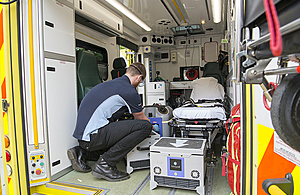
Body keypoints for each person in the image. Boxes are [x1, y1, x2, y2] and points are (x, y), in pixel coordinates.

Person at [67, 62, 153, 182]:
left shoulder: (111, 84)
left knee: (117, 140)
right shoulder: (129, 90)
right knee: (145, 127)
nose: (139, 84)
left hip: (85, 139)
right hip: (93, 137)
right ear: (139, 78)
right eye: (141, 81)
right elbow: (140, 119)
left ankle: (82, 153)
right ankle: (105, 164)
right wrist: (153, 127)